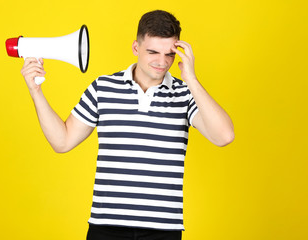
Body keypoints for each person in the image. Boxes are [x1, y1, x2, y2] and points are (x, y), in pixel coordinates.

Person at [21, 9, 234, 240]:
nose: (162, 62)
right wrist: (36, 91)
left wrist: (191, 79)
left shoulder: (185, 94)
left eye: (170, 54)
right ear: (136, 48)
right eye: (152, 51)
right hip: (106, 228)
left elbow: (224, 136)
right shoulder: (102, 88)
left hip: (163, 230)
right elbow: (62, 141)